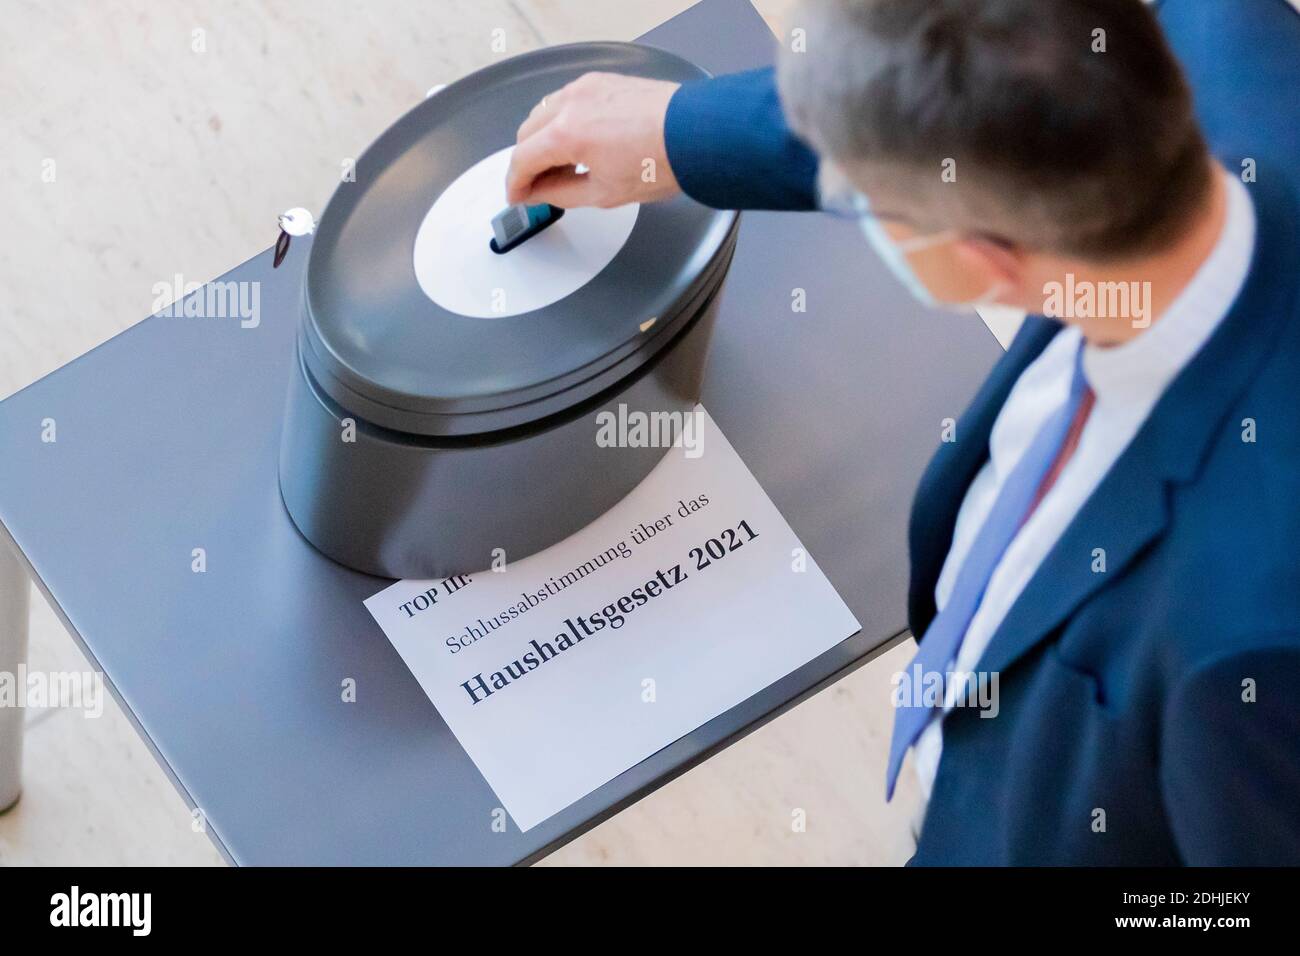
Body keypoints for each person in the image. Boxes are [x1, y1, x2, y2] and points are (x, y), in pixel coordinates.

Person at [506, 0, 1300, 865]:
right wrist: (675, 131)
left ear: (982, 261)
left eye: (864, 200)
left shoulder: (1249, 639)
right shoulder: (1214, 36)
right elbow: (962, 90)